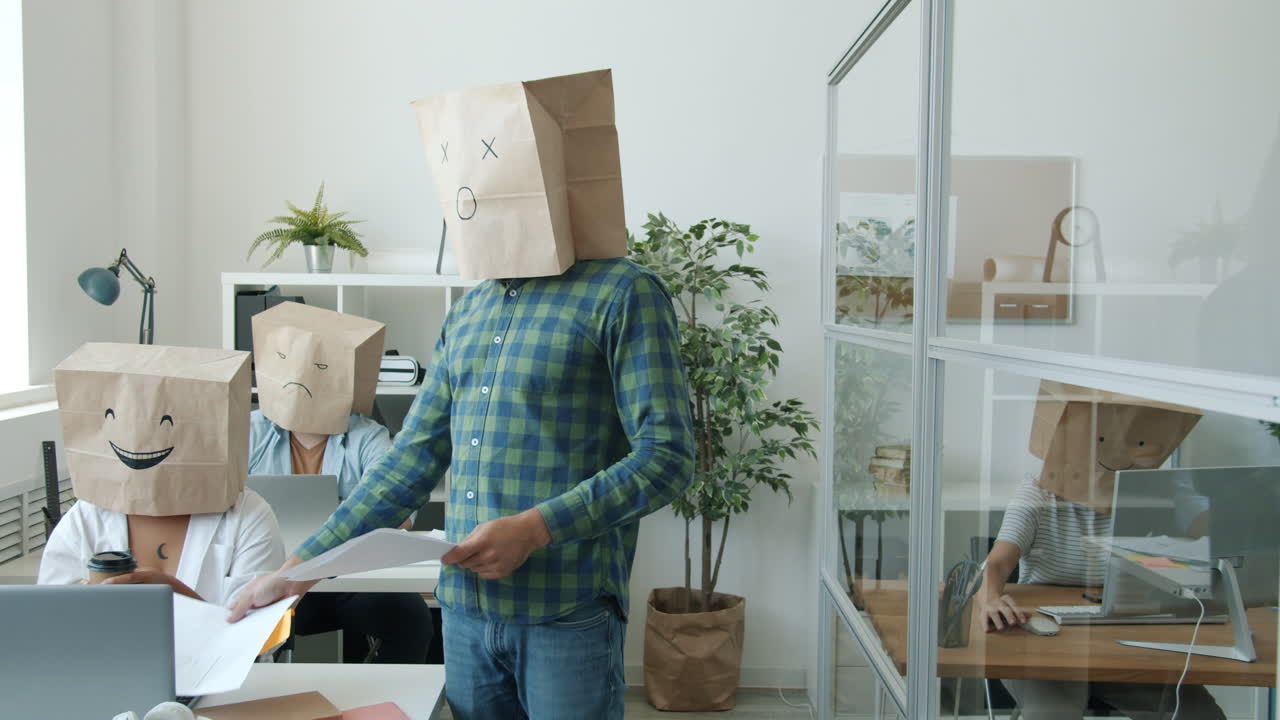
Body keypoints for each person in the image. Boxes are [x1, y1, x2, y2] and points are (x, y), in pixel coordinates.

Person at [231, 69, 695, 720]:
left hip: (568, 613)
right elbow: (411, 461)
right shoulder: (469, 311)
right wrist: (300, 566)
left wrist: (535, 529)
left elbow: (668, 457)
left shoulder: (623, 292)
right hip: (467, 617)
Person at [978, 382, 1225, 720]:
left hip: (1126, 637)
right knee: (1054, 712)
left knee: (1197, 714)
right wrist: (990, 597)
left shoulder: (1159, 487)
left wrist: (1199, 520)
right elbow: (997, 564)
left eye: (1136, 443)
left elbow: (1216, 536)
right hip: (1047, 641)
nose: (1116, 454)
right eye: (1101, 441)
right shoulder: (1037, 493)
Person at [248, 301, 434, 664]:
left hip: (346, 581)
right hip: (266, 571)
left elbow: (402, 510)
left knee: (411, 617)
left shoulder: (367, 437)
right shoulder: (252, 432)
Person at [39, 343, 285, 607]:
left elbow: (260, 633)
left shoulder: (248, 516)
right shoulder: (86, 518)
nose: (141, 439)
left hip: (207, 651)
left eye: (167, 421)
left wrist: (174, 594)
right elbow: (46, 618)